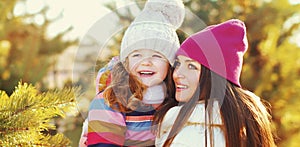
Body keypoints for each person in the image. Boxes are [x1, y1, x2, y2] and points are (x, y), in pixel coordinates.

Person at [154, 19, 276, 147]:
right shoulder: (242, 128)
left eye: (191, 66)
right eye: (178, 64)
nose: (177, 74)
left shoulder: (190, 138)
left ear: (214, 77)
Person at [85, 0, 185, 146]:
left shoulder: (175, 96)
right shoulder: (111, 100)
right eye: (137, 55)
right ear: (126, 62)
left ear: (170, 64)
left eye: (157, 56)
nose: (146, 62)